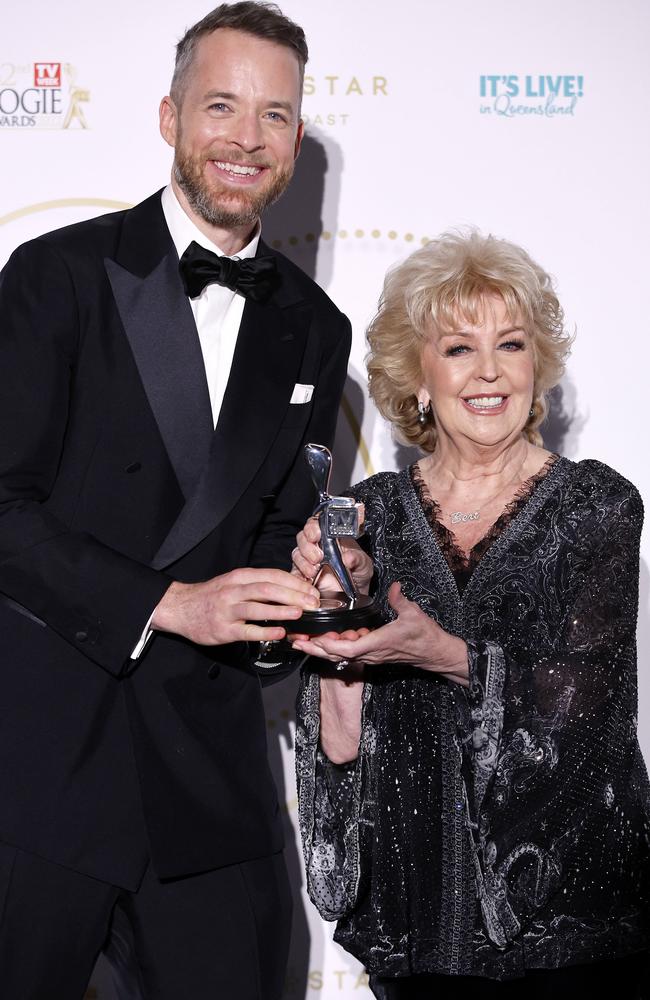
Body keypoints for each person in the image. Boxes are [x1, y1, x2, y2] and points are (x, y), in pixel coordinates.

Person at [0, 3, 350, 998]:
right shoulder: (55, 277)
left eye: (274, 115)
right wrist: (162, 602)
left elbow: (278, 522)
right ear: (168, 117)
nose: (247, 139)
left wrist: (312, 581)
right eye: (222, 106)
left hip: (207, 768)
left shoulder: (315, 329)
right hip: (45, 763)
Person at [291, 230, 650, 998]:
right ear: (418, 379)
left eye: (510, 344)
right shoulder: (370, 516)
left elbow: (578, 702)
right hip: (416, 927)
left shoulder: (597, 505)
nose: (488, 371)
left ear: (535, 369)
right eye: (458, 348)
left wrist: (445, 653)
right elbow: (342, 741)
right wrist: (336, 617)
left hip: (569, 925)